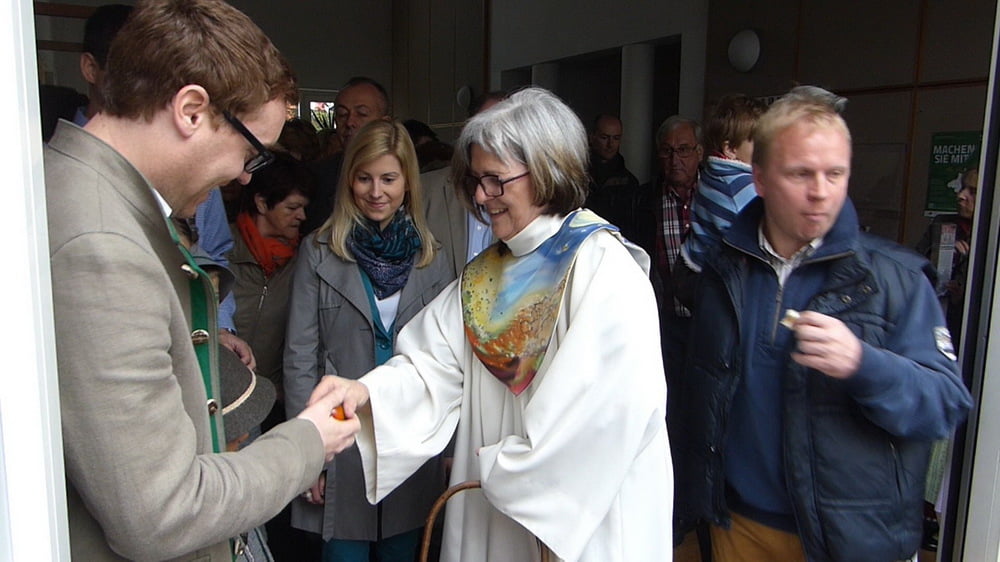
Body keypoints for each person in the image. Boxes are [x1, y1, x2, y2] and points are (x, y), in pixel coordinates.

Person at [44, 1, 359, 560]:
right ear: (191, 110)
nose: (244, 176)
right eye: (250, 152)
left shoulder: (99, 198)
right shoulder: (101, 244)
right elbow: (161, 512)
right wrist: (310, 439)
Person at [312, 87, 674, 561]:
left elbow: (610, 410)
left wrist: (511, 471)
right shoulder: (486, 275)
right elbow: (430, 367)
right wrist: (366, 394)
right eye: (477, 181)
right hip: (493, 497)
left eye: (495, 180)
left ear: (545, 170)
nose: (482, 197)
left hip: (576, 521)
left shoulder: (603, 268)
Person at [673, 86, 973, 562]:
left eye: (835, 173)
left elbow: (944, 404)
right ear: (760, 178)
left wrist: (863, 364)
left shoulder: (895, 280)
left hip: (848, 541)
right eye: (800, 173)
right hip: (737, 527)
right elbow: (700, 396)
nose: (820, 191)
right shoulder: (722, 271)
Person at [284, 120, 454, 562]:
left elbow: (449, 362)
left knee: (403, 550)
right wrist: (307, 453)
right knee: (344, 553)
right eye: (364, 178)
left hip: (410, 437)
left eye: (388, 179)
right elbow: (300, 357)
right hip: (338, 432)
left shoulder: (432, 257)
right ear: (349, 181)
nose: (376, 192)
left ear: (407, 182)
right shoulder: (319, 251)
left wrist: (451, 449)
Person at [229, 152, 316, 417]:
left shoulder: (304, 260)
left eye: (304, 208)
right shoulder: (223, 252)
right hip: (224, 393)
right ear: (262, 203)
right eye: (292, 208)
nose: (302, 216)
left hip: (273, 399)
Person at [634, 116, 703, 399]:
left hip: (706, 323)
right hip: (663, 323)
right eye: (667, 151)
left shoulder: (714, 199)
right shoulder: (642, 200)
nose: (675, 160)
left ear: (699, 152)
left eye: (684, 150)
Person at [680, 94, 766, 272]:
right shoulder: (739, 186)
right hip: (714, 275)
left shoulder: (712, 173)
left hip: (693, 263)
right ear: (730, 149)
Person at [304, 76, 392, 234]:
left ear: (384, 122)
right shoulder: (317, 178)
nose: (350, 122)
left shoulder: (406, 175)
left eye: (362, 114)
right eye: (342, 114)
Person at [916, 167, 979, 349]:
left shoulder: (989, 233)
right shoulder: (942, 223)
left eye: (972, 191)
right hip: (934, 314)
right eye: (962, 188)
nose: (961, 196)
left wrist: (963, 294)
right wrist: (939, 253)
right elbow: (915, 263)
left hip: (968, 327)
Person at [585, 114, 639, 231]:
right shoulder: (577, 175)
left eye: (616, 138)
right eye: (604, 137)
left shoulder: (629, 182)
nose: (610, 144)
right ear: (592, 137)